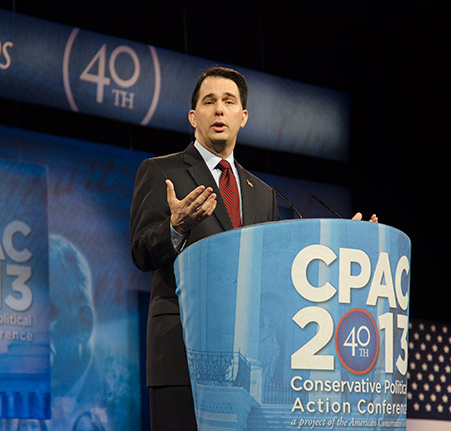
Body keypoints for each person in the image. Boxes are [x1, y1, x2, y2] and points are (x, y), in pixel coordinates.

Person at [130, 66, 377, 430]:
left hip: (246, 361)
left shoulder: (260, 192)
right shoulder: (160, 171)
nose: (218, 110)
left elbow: (278, 263)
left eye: (228, 102)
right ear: (192, 116)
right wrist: (175, 227)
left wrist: (343, 247)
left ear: (242, 117)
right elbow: (140, 251)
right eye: (209, 101)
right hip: (181, 355)